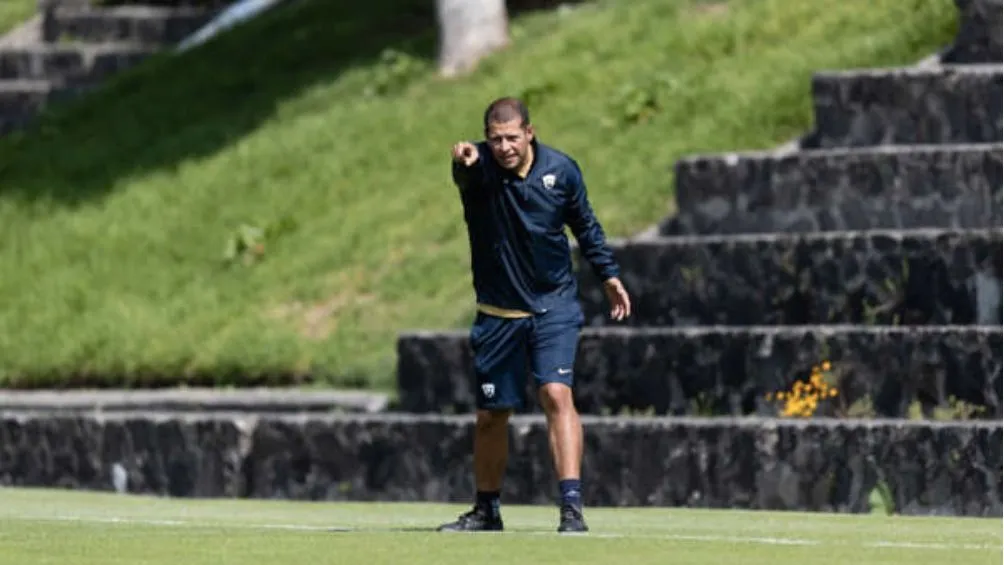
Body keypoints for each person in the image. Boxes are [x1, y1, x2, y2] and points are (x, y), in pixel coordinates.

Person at [437, 97, 631, 534]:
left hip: (553, 306)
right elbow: (466, 171)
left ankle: (571, 509)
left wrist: (608, 275)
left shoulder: (561, 171)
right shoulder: (479, 168)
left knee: (556, 394)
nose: (504, 147)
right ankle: (487, 510)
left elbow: (585, 225)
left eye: (512, 138)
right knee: (491, 415)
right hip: (497, 312)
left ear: (530, 132)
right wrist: (465, 161)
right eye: (495, 139)